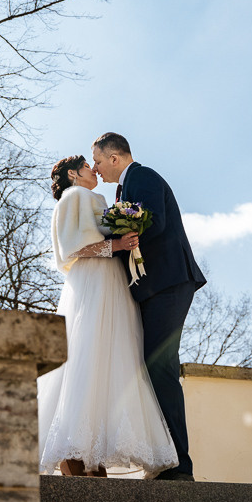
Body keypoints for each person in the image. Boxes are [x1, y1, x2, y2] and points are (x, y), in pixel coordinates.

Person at [36, 154, 178, 479]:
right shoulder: (75, 197)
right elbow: (74, 248)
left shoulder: (95, 198)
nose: (93, 170)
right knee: (89, 358)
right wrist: (116, 245)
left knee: (104, 362)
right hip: (93, 285)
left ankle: (93, 462)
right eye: (87, 166)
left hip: (110, 285)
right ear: (73, 174)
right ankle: (73, 459)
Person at [91, 132, 207, 482]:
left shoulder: (142, 176)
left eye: (97, 161)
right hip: (153, 288)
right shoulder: (124, 190)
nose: (96, 168)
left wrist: (114, 242)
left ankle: (179, 466)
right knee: (152, 367)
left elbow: (153, 221)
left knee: (161, 367)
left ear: (114, 158)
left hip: (169, 283)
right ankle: (166, 457)